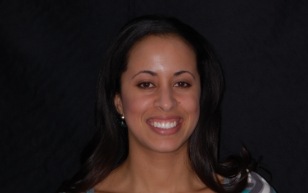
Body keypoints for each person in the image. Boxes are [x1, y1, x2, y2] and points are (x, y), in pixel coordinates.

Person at [59, 15, 276, 193]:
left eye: (182, 83)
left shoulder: (251, 190)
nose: (166, 102)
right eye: (146, 84)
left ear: (201, 95)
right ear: (118, 103)